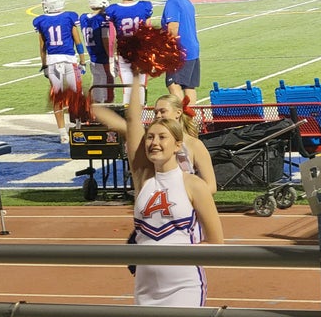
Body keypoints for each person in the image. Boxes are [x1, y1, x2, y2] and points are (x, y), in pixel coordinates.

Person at [92, 74, 223, 307]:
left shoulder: (194, 184)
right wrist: (136, 75)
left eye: (162, 137)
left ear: (177, 145)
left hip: (184, 287)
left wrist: (175, 257)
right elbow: (132, 119)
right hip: (145, 289)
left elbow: (216, 243)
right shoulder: (142, 178)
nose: (154, 142)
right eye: (150, 137)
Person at [33, 0, 86, 144]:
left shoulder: (41, 20)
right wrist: (83, 61)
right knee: (76, 96)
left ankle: (62, 134)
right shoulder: (69, 17)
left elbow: (42, 47)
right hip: (69, 60)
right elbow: (78, 42)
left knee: (58, 98)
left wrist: (44, 65)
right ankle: (78, 128)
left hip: (52, 62)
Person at [105, 0, 153, 105]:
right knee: (141, 86)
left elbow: (112, 37)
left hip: (124, 53)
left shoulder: (113, 10)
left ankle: (128, 115)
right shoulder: (145, 6)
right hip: (141, 52)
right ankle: (142, 115)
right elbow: (149, 33)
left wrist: (112, 57)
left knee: (127, 88)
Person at [158, 0, 200, 102]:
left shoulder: (172, 2)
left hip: (180, 50)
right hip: (192, 49)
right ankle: (191, 114)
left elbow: (173, 28)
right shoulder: (186, 1)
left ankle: (180, 114)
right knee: (189, 87)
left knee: (173, 84)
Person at [80, 0, 114, 104]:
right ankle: (106, 112)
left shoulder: (83, 18)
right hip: (103, 59)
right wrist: (111, 56)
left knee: (97, 88)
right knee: (108, 91)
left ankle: (95, 110)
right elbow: (105, 39)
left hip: (93, 59)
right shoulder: (103, 19)